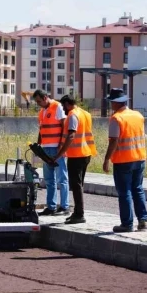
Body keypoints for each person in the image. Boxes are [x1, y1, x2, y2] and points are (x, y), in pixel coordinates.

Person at [103, 88, 147, 233]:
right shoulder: (138, 115)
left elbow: (114, 141)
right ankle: (143, 221)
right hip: (140, 158)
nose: (110, 105)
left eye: (111, 102)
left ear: (115, 103)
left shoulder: (117, 118)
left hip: (123, 160)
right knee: (138, 189)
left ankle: (127, 224)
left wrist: (106, 159)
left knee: (125, 192)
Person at [55, 95, 96, 224]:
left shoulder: (73, 115)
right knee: (79, 184)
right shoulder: (85, 114)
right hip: (86, 153)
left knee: (76, 185)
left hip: (76, 155)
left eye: (63, 107)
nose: (63, 110)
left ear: (67, 104)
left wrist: (61, 153)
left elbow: (71, 135)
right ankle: (77, 211)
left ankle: (79, 214)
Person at [33, 89, 69, 216]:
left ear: (45, 97)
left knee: (62, 178)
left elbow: (64, 126)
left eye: (39, 101)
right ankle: (51, 206)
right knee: (49, 179)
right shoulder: (42, 112)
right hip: (46, 148)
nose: (38, 104)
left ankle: (64, 206)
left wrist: (61, 145)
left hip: (57, 148)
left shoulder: (57, 106)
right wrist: (38, 145)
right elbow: (41, 129)